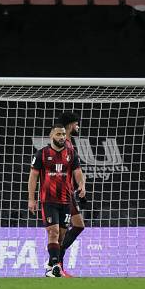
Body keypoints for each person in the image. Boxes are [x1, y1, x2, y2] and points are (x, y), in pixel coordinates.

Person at [28, 123, 85, 277]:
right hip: (48, 200)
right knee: (52, 233)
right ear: (51, 136)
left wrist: (82, 185)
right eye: (58, 134)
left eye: (63, 134)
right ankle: (53, 266)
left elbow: (78, 172)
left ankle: (53, 264)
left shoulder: (71, 154)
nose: (61, 137)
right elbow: (33, 177)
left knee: (61, 235)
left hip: (66, 200)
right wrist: (31, 199)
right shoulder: (42, 154)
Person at [56, 112, 86, 277]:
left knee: (79, 225)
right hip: (61, 193)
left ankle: (58, 263)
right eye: (76, 124)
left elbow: (76, 168)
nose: (78, 127)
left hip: (68, 192)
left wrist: (81, 184)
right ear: (69, 125)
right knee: (62, 231)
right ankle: (57, 265)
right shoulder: (63, 144)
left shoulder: (69, 144)